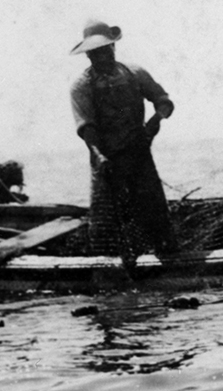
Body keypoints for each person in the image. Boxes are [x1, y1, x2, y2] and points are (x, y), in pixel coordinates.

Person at [69, 20, 176, 257]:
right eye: (95, 53)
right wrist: (99, 157)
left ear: (113, 48)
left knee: (155, 211)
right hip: (108, 160)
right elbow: (86, 128)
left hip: (139, 154)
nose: (102, 57)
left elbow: (164, 101)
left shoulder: (135, 73)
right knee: (108, 224)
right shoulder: (81, 86)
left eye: (106, 50)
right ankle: (114, 271)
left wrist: (156, 120)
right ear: (88, 55)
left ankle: (166, 259)